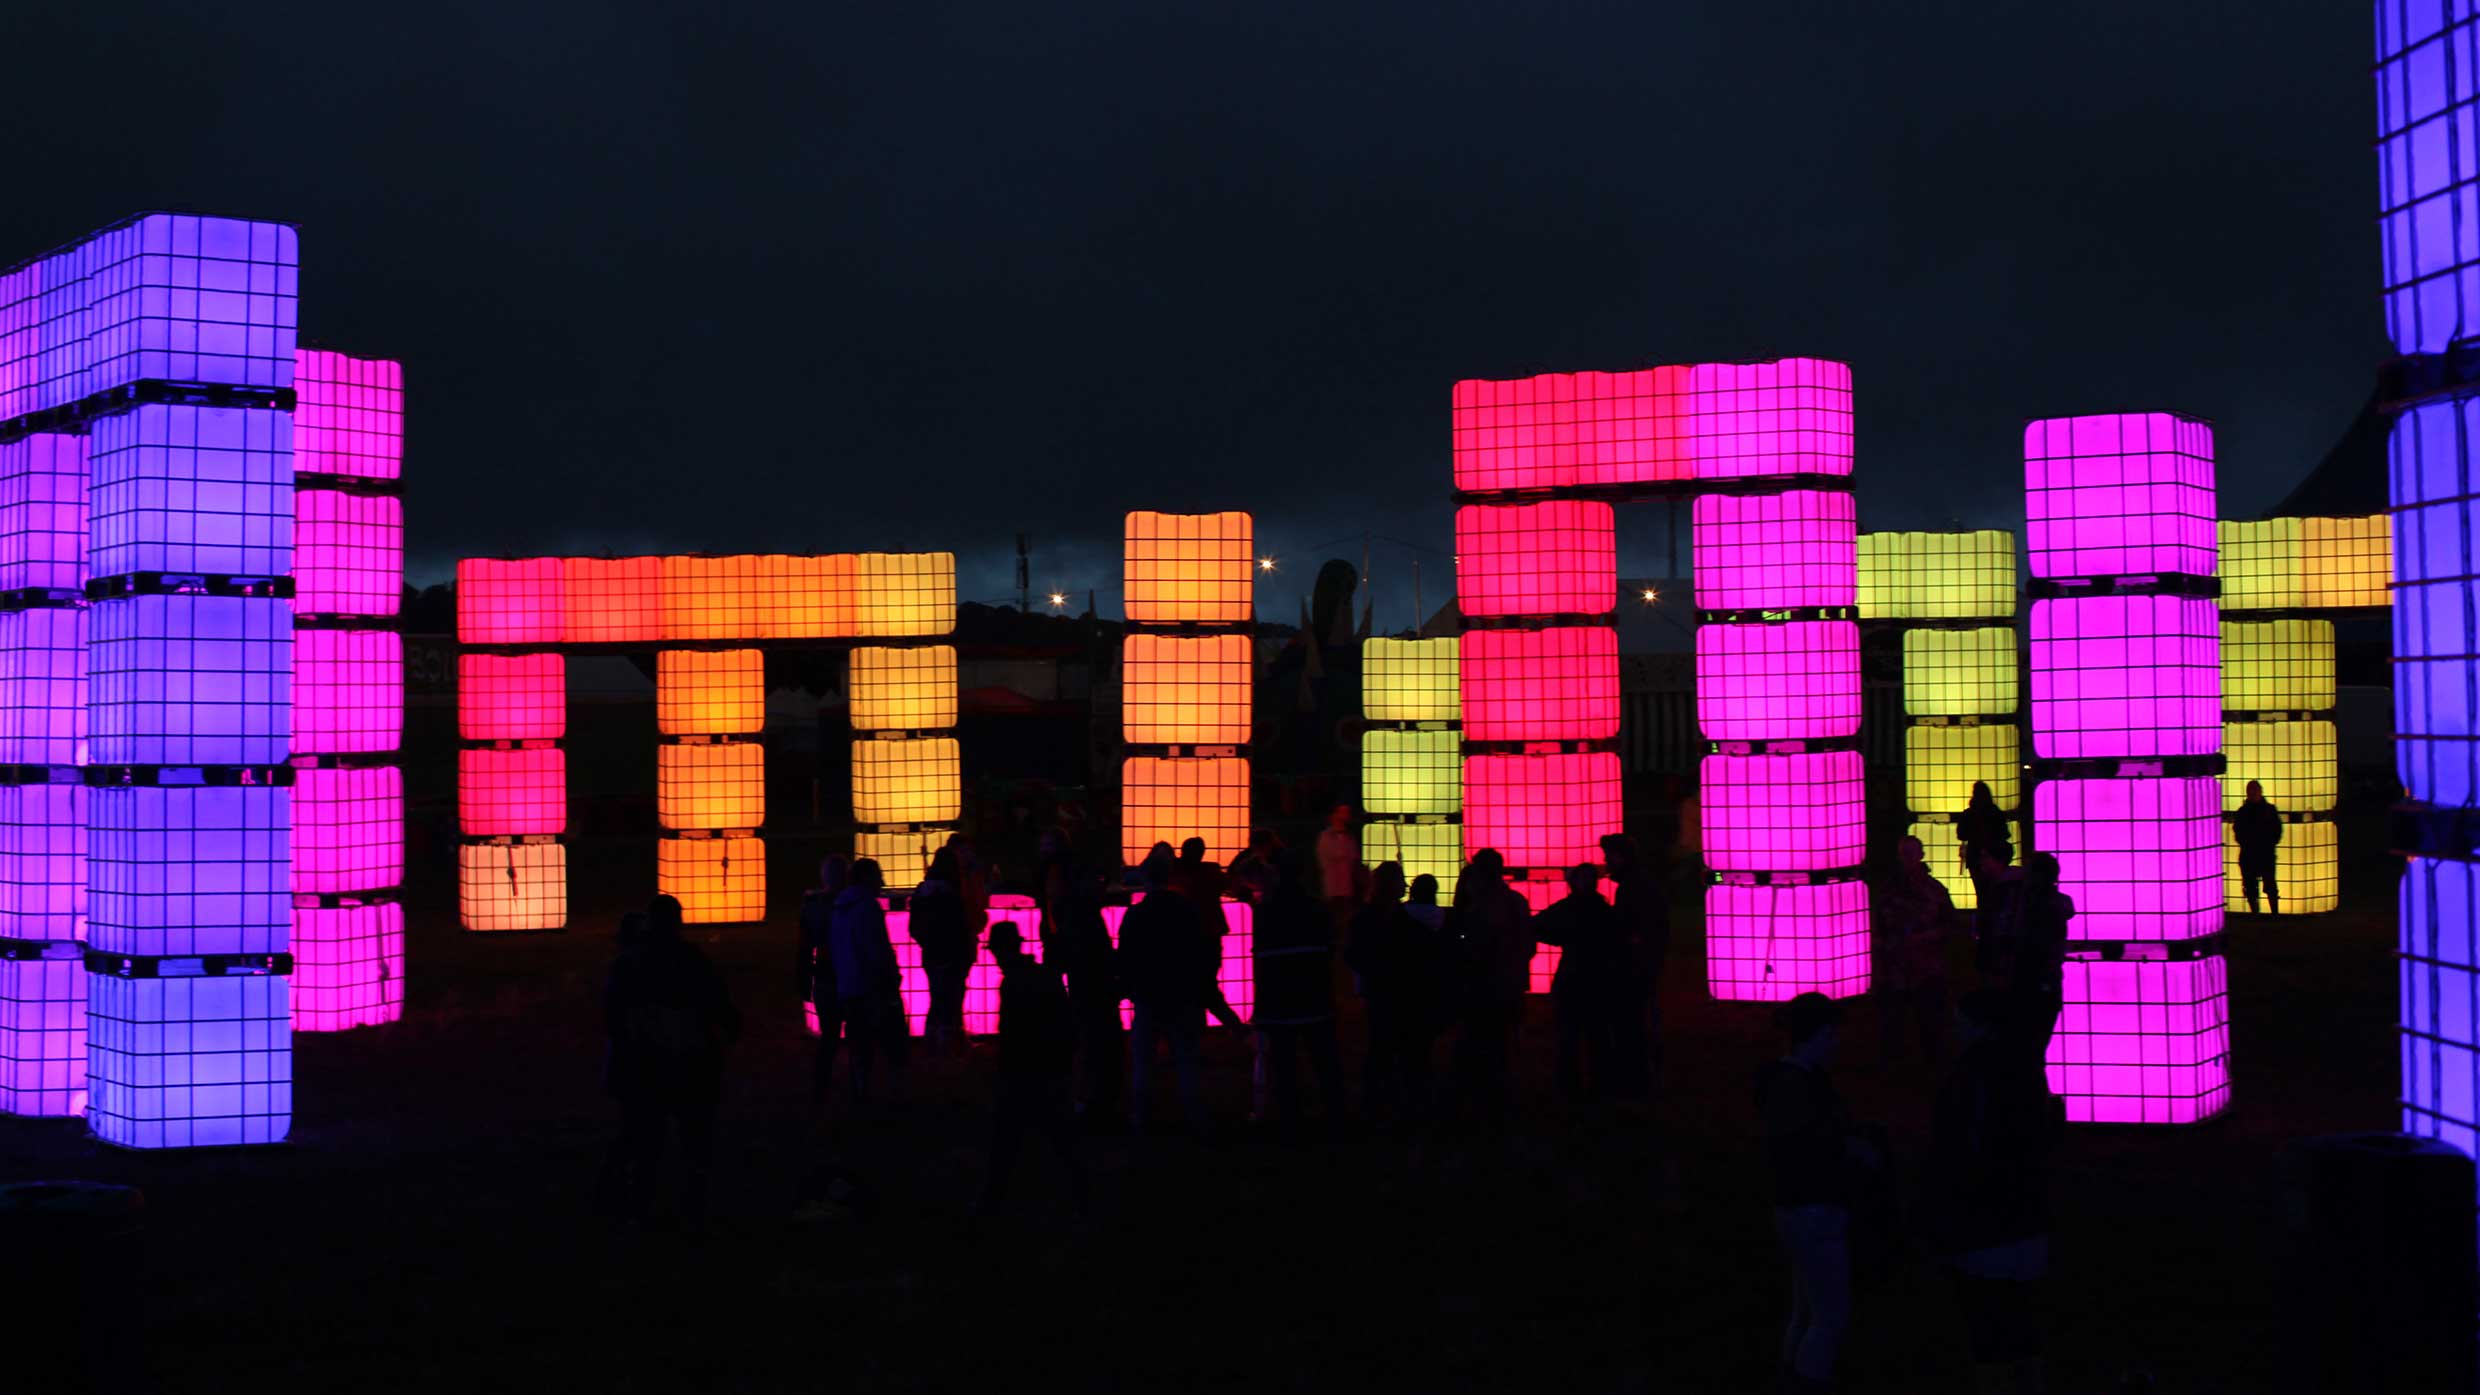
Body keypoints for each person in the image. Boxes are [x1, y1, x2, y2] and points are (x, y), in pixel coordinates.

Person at [1926, 990, 2064, 1394]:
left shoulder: (1966, 1080)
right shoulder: (2025, 1075)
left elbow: (1954, 1151)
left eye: (1959, 1020)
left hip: (1980, 1225)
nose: (1953, 1028)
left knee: (1986, 1330)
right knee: (2024, 1325)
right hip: (2027, 1219)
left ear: (1976, 1025)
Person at [1757, 992, 1875, 1392]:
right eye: (1833, 1035)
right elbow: (1812, 1146)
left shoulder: (1782, 1081)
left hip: (1793, 1206)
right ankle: (1807, 1380)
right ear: (1820, 1034)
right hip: (1813, 1206)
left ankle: (1791, 1371)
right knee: (1829, 1313)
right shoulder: (1801, 1087)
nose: (1838, 1043)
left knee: (1807, 1304)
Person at [602, 897, 741, 1221]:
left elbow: (612, 1015)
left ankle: (638, 1206)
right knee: (693, 1142)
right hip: (689, 1063)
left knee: (646, 1141)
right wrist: (730, 1027)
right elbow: (717, 1001)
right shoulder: (691, 960)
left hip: (645, 1065)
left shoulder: (630, 963)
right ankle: (691, 1209)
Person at [973, 921, 1089, 1216]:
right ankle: (1082, 1196)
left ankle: (991, 1202)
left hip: (1024, 1072)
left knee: (1006, 1142)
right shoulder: (1043, 976)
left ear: (998, 951)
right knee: (1060, 1138)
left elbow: (1012, 1036)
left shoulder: (1012, 983)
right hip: (1051, 1067)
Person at [1253, 848, 1346, 1132]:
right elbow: (1330, 947)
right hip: (1315, 996)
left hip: (1279, 1001)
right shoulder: (1317, 908)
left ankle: (1290, 1120)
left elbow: (1262, 956)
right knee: (1325, 1062)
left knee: (1285, 1067)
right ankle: (1335, 1117)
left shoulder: (1266, 910)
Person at [1120, 854, 1211, 1135]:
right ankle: (1197, 1120)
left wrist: (1129, 988)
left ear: (1146, 879)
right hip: (1183, 993)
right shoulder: (1186, 909)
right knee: (1187, 1060)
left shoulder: (1136, 914)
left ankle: (1141, 1119)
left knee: (1143, 1061)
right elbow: (1200, 950)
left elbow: (1126, 957)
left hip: (1148, 994)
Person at [1446, 849, 1534, 1126]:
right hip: (1506, 986)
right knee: (1499, 1047)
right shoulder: (1516, 902)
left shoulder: (1475, 908)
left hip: (1479, 988)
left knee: (1475, 1044)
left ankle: (1476, 1101)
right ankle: (1498, 1101)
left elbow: (1463, 946)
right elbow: (1527, 945)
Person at [1347, 861, 1436, 1122]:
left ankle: (1379, 1101)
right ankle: (1398, 1101)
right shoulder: (1397, 919)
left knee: (1382, 1048)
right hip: (1397, 992)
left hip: (1382, 992)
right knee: (1398, 1050)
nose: (1405, 886)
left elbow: (1353, 954)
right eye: (1401, 881)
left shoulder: (1368, 917)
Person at [1531, 862, 1626, 1101]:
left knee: (1573, 1035)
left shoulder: (1570, 908)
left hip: (1574, 976)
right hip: (1597, 978)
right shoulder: (1603, 910)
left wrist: (1562, 939)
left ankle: (1571, 1086)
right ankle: (1598, 1085)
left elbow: (1537, 926)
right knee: (1595, 1036)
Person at [1047, 857, 1124, 1126]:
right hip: (1096, 989)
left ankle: (1085, 1102)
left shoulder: (1069, 913)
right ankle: (1096, 1102)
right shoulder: (1087, 916)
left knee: (1089, 1046)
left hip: (1084, 988)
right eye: (1098, 882)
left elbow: (1062, 956)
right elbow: (1097, 954)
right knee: (1099, 1046)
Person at [830, 859, 908, 1107]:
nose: (882, 882)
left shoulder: (840, 908)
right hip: (873, 988)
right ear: (866, 879)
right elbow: (877, 950)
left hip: (848, 987)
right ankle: (895, 1093)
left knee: (860, 1046)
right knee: (893, 1043)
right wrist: (891, 978)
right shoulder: (868, 908)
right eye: (878, 876)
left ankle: (861, 1091)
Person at [1874, 835, 1956, 1067]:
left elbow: (1949, 925)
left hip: (1926, 967)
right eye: (1903, 854)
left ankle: (1931, 1067)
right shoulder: (1890, 890)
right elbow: (1879, 929)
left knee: (1930, 1024)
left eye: (1911, 853)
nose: (1907, 859)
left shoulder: (1934, 890)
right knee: (1893, 1026)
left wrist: (1928, 937)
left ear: (1920, 855)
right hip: (1896, 967)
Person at [1602, 834, 1669, 1096]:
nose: (1606, 861)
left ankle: (1636, 1078)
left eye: (1609, 855)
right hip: (1643, 963)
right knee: (1639, 1021)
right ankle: (1642, 1077)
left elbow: (1629, 927)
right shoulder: (1642, 883)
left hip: (1634, 967)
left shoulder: (1632, 887)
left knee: (1631, 1023)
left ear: (1621, 857)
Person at [1989, 852, 2072, 1058]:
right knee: (2035, 1048)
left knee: (2022, 1048)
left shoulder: (2022, 905)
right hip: (2045, 982)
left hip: (2024, 980)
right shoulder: (2057, 903)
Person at [1174, 837, 1247, 1030]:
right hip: (1210, 937)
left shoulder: (1177, 873)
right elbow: (1232, 884)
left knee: (1197, 990)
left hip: (1187, 939)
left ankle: (1205, 1033)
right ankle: (1237, 1030)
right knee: (1206, 989)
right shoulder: (1210, 872)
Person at [910, 847, 977, 1055]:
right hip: (953, 954)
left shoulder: (922, 891)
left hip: (931, 954)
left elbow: (913, 927)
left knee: (937, 997)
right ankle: (950, 1044)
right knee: (951, 999)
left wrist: (927, 943)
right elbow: (962, 924)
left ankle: (931, 1041)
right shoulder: (953, 891)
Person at [799, 856, 850, 1117]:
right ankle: (854, 1084)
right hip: (847, 977)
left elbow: (804, 947)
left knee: (829, 1036)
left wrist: (804, 981)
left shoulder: (813, 906)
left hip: (824, 977)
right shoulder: (850, 905)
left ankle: (822, 1086)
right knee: (853, 1033)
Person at [2232, 779, 2284, 916]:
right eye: (2251, 791)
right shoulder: (2268, 810)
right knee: (2256, 886)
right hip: (2259, 853)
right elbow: (2277, 830)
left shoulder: (2243, 812)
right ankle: (2270, 914)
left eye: (2254, 791)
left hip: (2256, 853)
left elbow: (2238, 832)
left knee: (2264, 885)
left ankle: (2263, 914)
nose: (2253, 793)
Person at [1958, 782, 2014, 909]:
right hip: (1995, 856)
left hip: (1975, 857)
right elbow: (2005, 834)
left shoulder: (1968, 814)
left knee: (1981, 894)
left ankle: (1982, 921)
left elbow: (1961, 835)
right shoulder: (1996, 812)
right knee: (1996, 892)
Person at [1316, 803, 1361, 930]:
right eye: (1343, 812)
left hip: (1348, 887)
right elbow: (1333, 856)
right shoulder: (1325, 837)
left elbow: (1353, 858)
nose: (1346, 816)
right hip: (1332, 887)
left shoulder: (1349, 837)